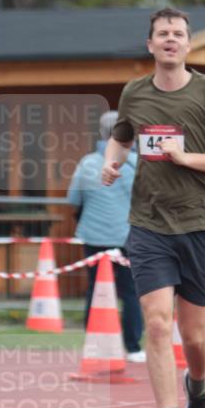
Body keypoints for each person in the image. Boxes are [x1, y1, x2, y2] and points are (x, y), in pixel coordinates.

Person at [101, 7, 205, 408]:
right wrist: (112, 160)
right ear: (150, 44)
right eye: (162, 33)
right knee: (158, 326)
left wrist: (186, 158)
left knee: (194, 336)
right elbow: (122, 136)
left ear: (188, 44)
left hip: (201, 224)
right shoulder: (134, 92)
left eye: (177, 34)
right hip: (148, 224)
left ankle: (197, 386)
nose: (170, 40)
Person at [68, 111, 144, 361]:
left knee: (95, 289)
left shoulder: (88, 163)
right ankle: (133, 347)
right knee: (131, 291)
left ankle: (93, 343)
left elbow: (74, 201)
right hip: (127, 236)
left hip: (93, 235)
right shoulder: (136, 164)